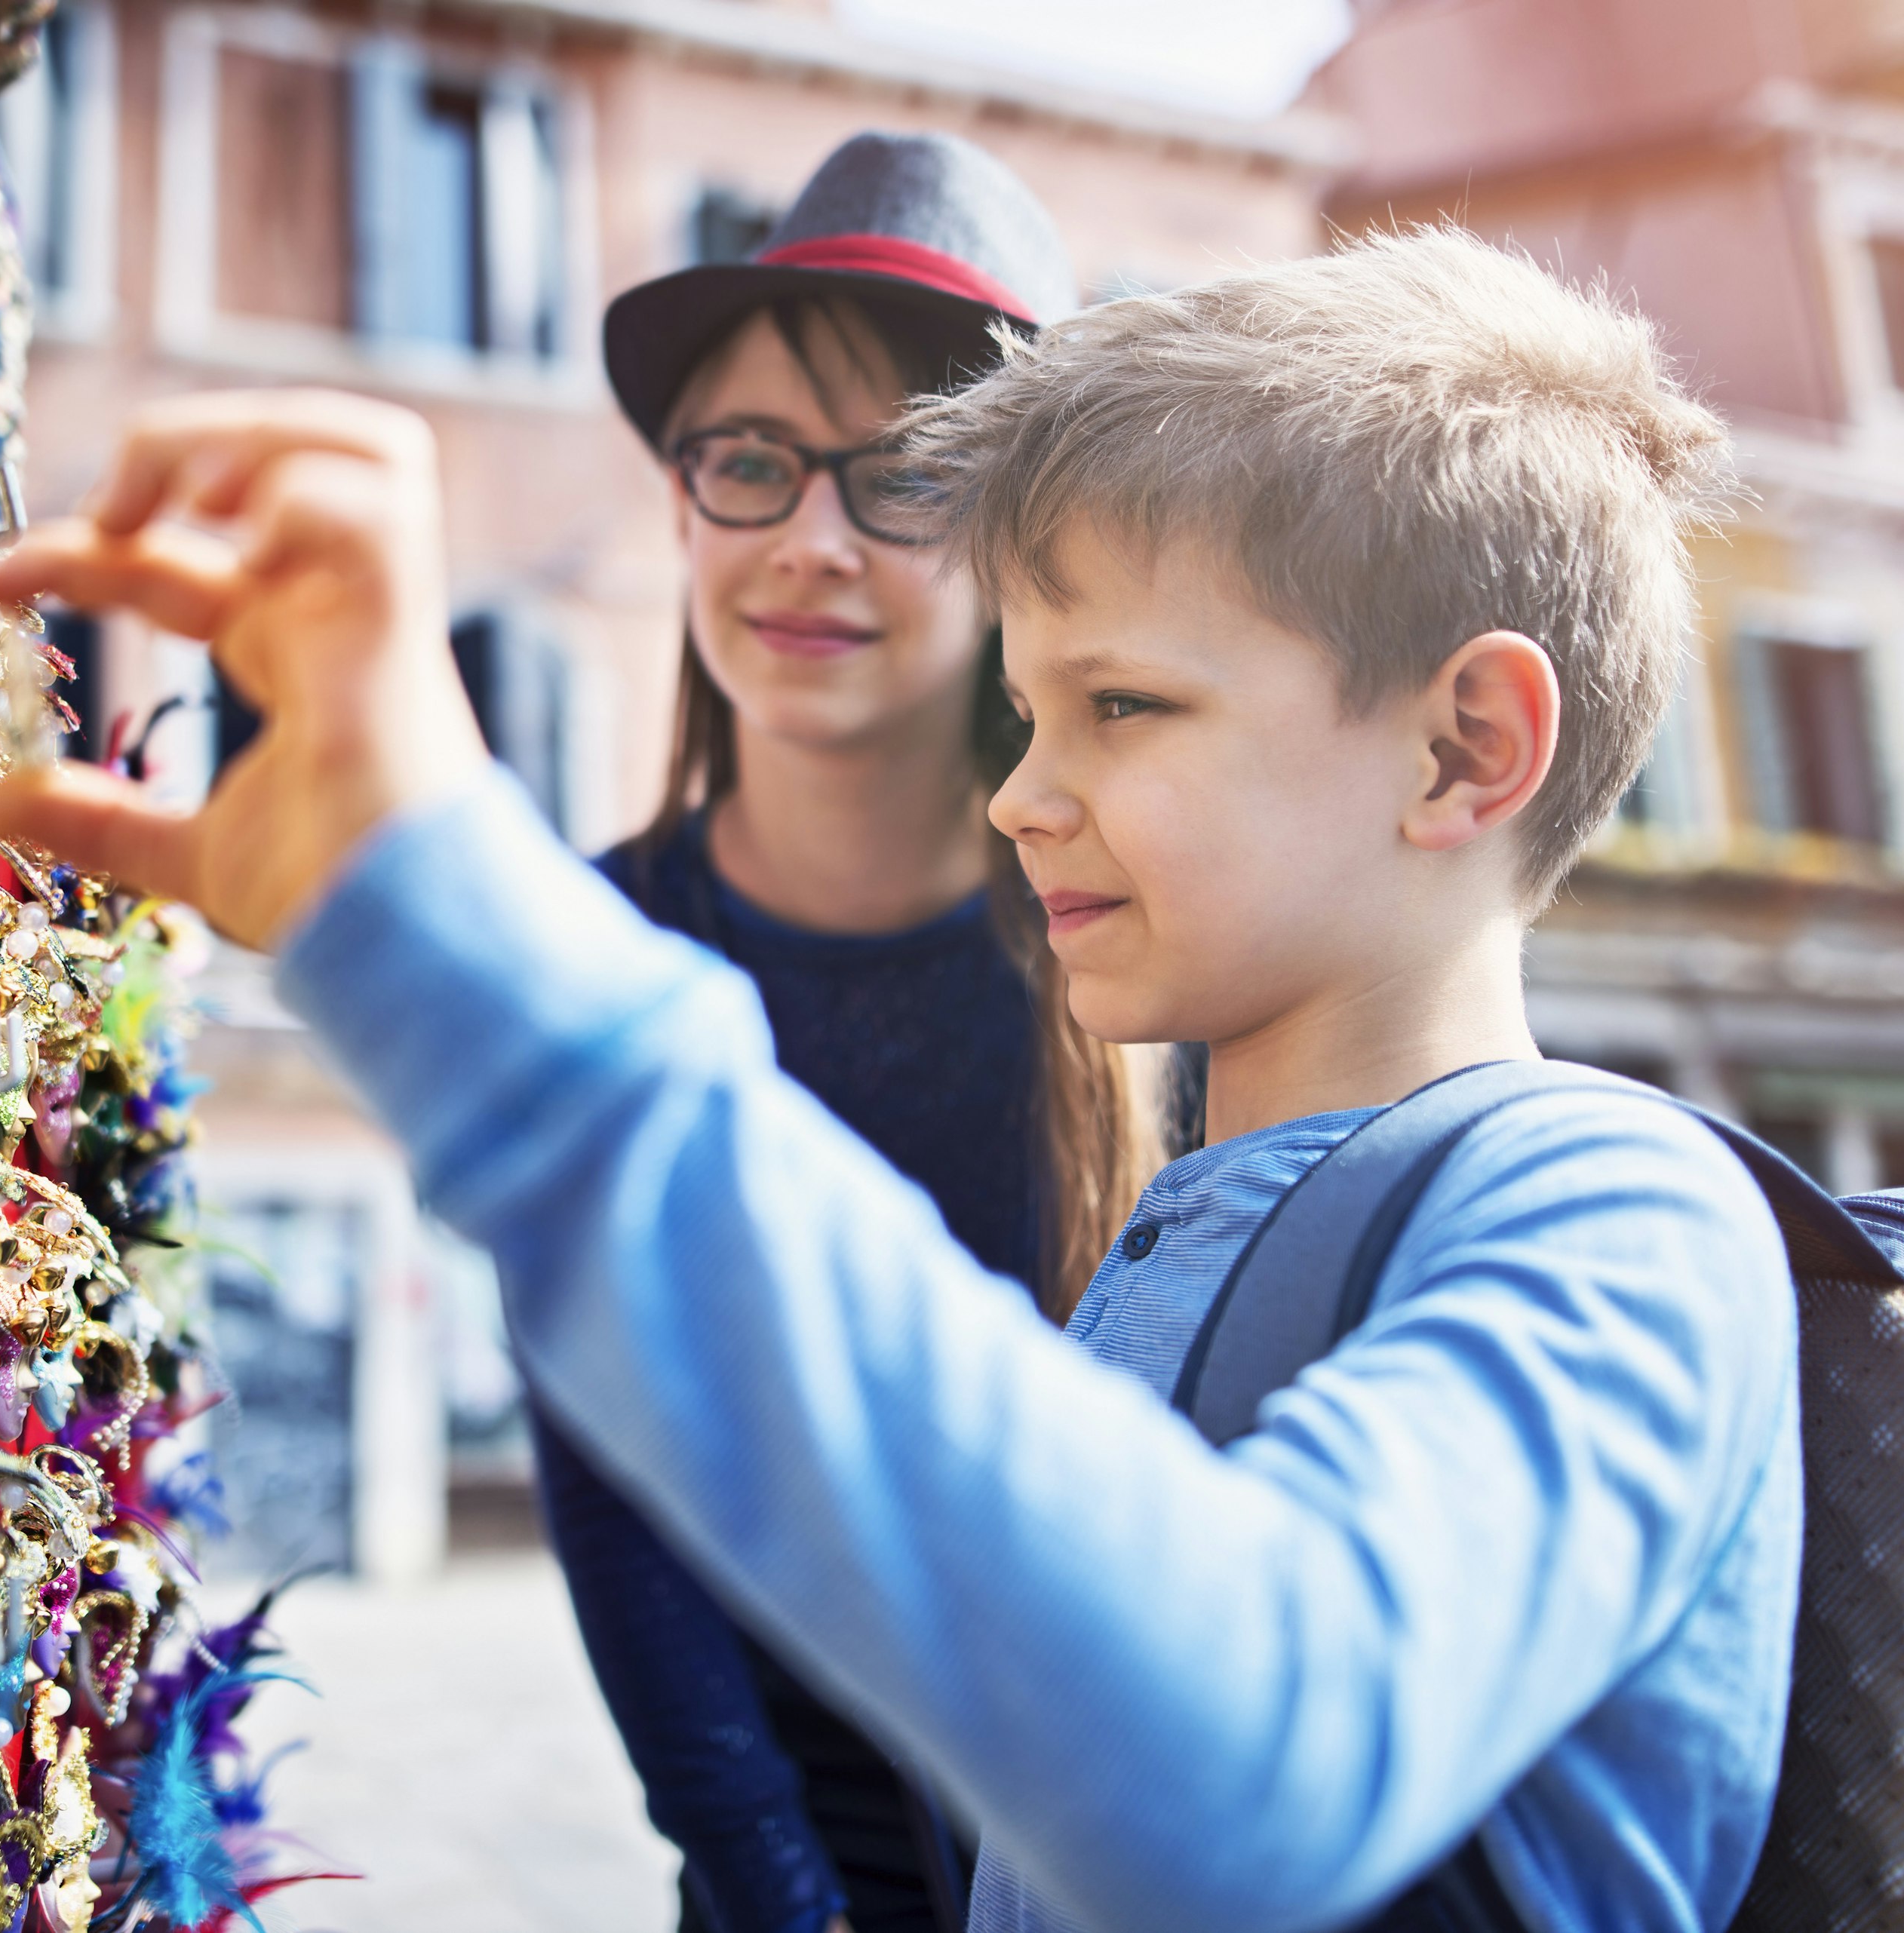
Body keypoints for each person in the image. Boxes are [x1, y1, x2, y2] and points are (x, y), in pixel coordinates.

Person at [0, 228, 1791, 1933]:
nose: (1021, 791)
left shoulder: (1624, 1214)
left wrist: (462, 935)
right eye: (1029, 706)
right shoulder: (1199, 1228)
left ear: (1467, 745)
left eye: (1122, 707)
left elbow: (1253, 1757)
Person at [536, 130, 1147, 1933]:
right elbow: (625, 1520)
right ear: (681, 506)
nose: (809, 540)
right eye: (751, 462)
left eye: (903, 478)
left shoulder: (1151, 951)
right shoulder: (593, 946)